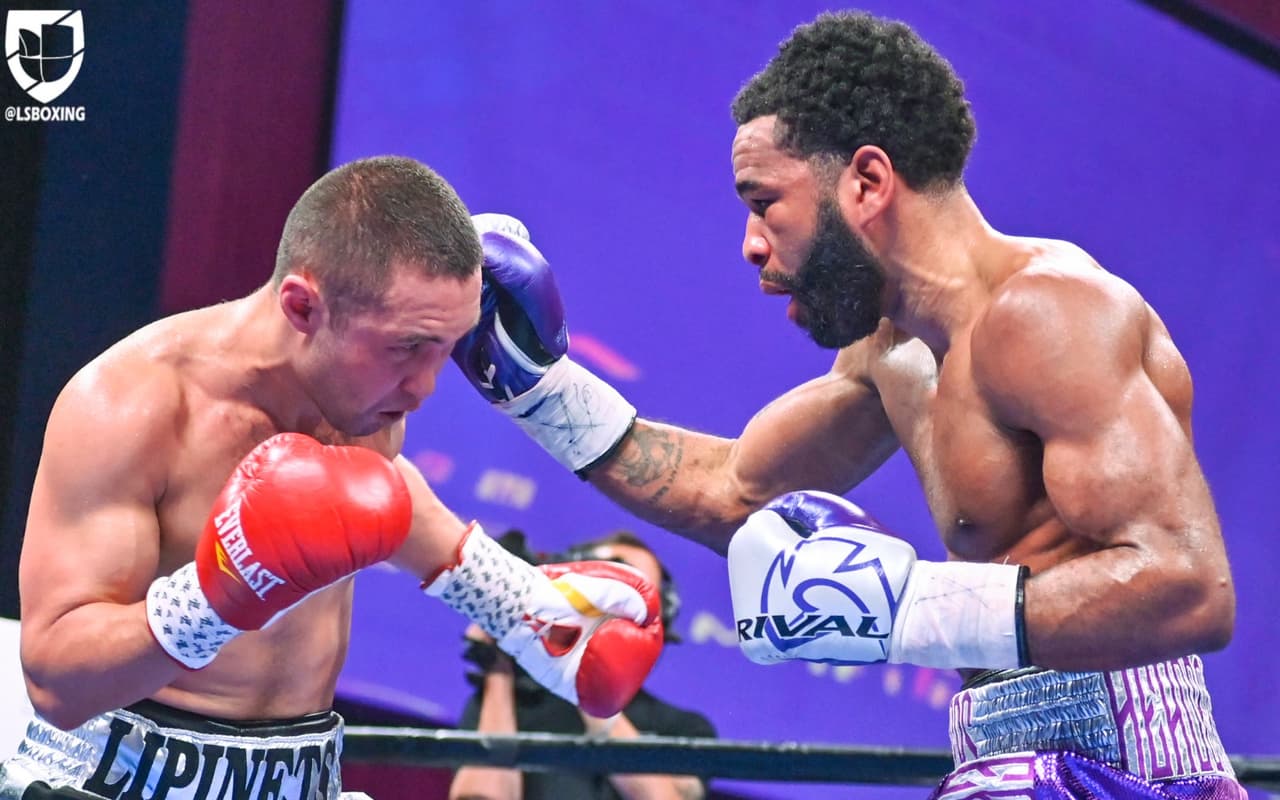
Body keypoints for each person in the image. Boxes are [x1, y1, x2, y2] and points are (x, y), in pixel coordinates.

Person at [450, 12, 1245, 800]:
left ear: (866, 182)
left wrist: (907, 609)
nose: (751, 243)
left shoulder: (1049, 313)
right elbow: (732, 491)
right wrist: (538, 388)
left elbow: (1188, 587)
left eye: (765, 201)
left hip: (1130, 761)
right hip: (998, 749)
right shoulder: (889, 353)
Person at [0, 157, 665, 800]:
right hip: (118, 777)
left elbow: (370, 499)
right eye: (408, 347)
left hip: (302, 771)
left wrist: (517, 605)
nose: (426, 388)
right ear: (302, 308)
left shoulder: (363, 394)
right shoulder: (131, 407)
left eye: (445, 349)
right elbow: (59, 685)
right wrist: (211, 601)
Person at [449, 530, 715, 800]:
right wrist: (498, 665)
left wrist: (593, 676)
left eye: (632, 592)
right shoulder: (511, 701)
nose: (610, 598)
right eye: (608, 578)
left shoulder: (683, 728)